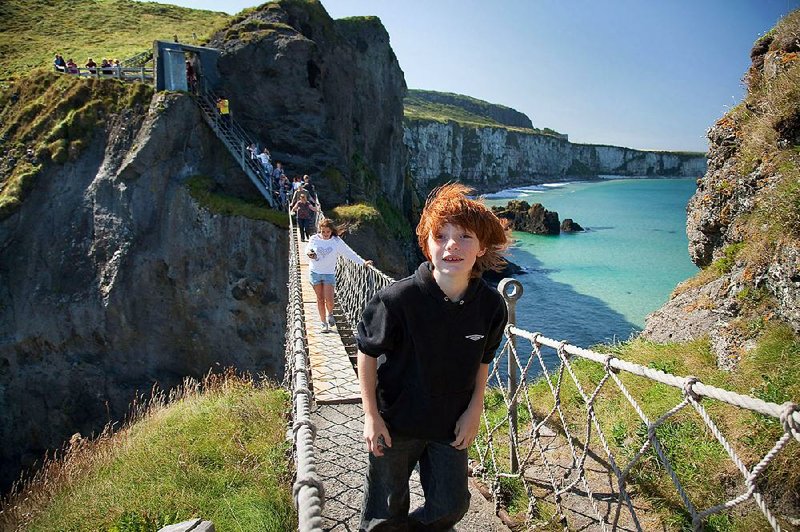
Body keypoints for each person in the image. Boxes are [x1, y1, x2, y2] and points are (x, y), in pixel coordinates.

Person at [356, 183, 510, 530]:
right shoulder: (396, 300)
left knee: (452, 504)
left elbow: (483, 359)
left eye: (465, 236)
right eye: (440, 236)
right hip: (395, 422)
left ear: (482, 246)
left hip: (449, 424)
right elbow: (367, 353)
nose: (452, 245)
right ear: (426, 245)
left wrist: (475, 409)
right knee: (385, 509)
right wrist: (371, 416)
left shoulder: (490, 307)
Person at [305, 218, 371, 332]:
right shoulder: (314, 239)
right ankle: (323, 323)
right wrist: (310, 254)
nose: (325, 234)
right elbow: (307, 249)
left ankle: (330, 314)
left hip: (329, 274)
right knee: (320, 299)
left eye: (328, 232)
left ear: (331, 231)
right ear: (319, 230)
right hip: (315, 272)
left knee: (329, 300)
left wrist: (363, 262)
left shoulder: (336, 241)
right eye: (323, 232)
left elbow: (348, 252)